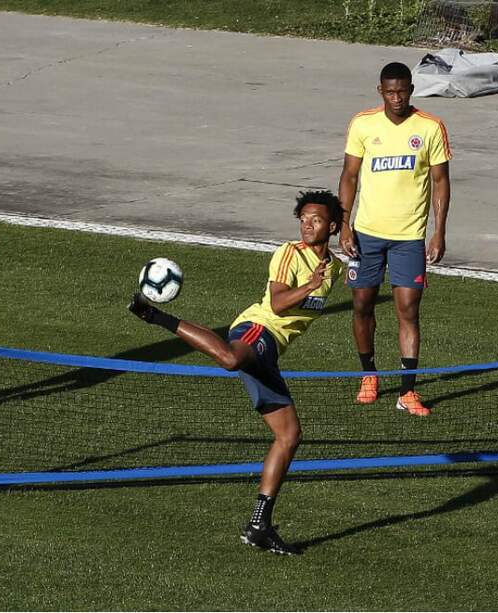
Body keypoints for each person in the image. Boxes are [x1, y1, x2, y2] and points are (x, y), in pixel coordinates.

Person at [128, 190, 345, 555]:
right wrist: (307, 286)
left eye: (317, 220)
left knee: (289, 435)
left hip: (270, 353)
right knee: (229, 359)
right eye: (303, 219)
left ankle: (259, 524)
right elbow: (276, 303)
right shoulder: (289, 254)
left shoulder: (334, 267)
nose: (307, 225)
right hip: (256, 330)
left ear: (333, 226)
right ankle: (155, 316)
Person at [338, 61, 452, 417]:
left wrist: (439, 231)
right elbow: (349, 177)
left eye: (402, 91)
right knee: (361, 305)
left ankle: (407, 390)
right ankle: (369, 374)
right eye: (390, 92)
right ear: (380, 91)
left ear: (411, 90)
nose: (397, 98)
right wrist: (343, 225)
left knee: (408, 310)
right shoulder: (362, 123)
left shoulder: (430, 127)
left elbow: (440, 182)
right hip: (366, 234)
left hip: (409, 238)